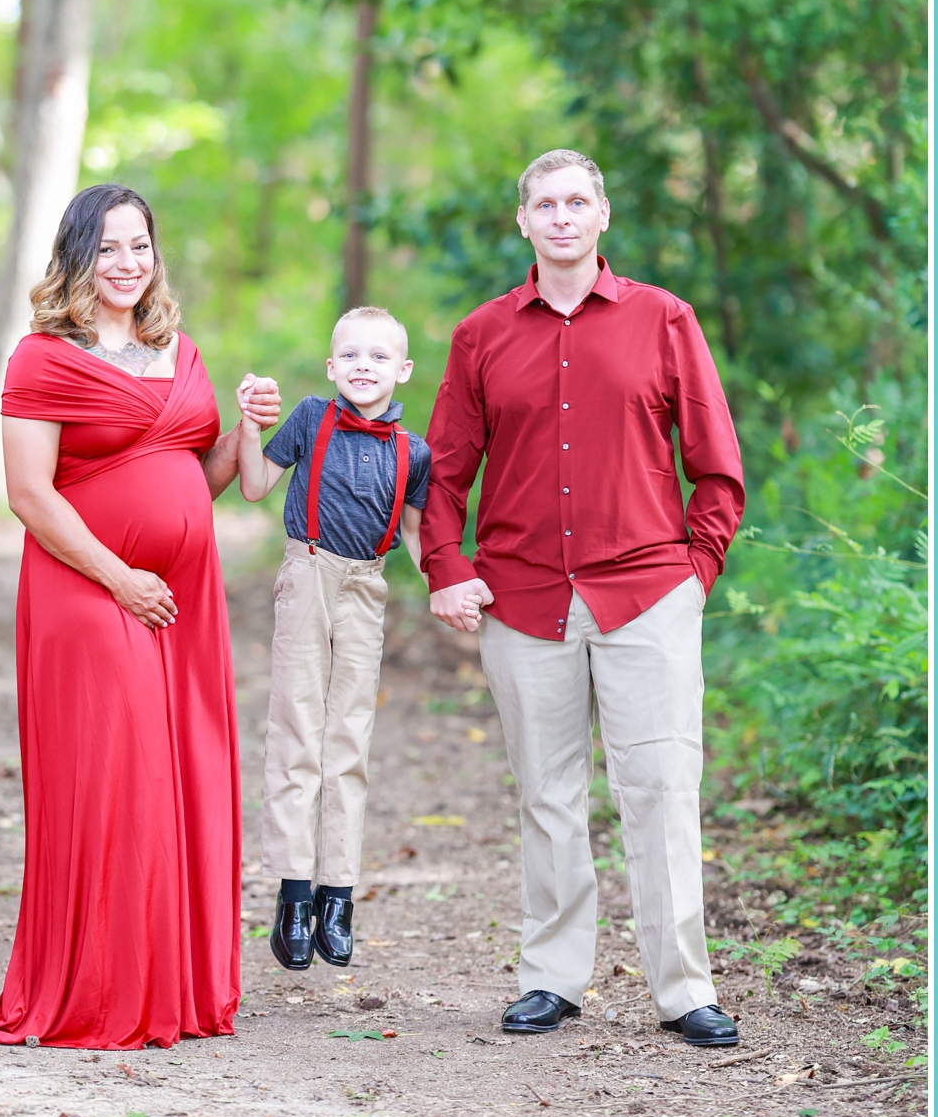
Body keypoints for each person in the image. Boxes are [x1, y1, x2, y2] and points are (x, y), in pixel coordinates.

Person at [422, 150, 745, 1047]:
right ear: (522, 221)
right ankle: (553, 979)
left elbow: (716, 464)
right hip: (523, 600)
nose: (561, 216)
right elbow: (446, 473)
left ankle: (683, 990)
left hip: (647, 592)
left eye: (577, 201)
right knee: (548, 795)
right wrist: (445, 565)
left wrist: (695, 576)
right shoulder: (482, 334)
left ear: (603, 214)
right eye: (544, 203)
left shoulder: (663, 319)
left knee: (661, 789)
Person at [0, 184, 280, 1050]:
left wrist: (243, 433)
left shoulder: (177, 349)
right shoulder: (41, 357)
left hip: (180, 597)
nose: (127, 263)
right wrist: (120, 579)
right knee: (118, 780)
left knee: (182, 779)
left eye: (139, 245)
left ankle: (169, 988)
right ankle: (104, 991)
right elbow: (29, 493)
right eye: (107, 248)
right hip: (87, 588)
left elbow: (199, 479)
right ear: (77, 256)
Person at [237, 307, 431, 971]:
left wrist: (457, 585)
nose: (363, 367)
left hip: (366, 588)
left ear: (402, 370)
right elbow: (256, 483)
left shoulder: (414, 452)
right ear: (331, 366)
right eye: (350, 356)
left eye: (378, 358)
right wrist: (248, 425)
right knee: (297, 728)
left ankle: (337, 893)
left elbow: (419, 537)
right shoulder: (310, 419)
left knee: (348, 739)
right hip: (309, 568)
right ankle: (293, 892)